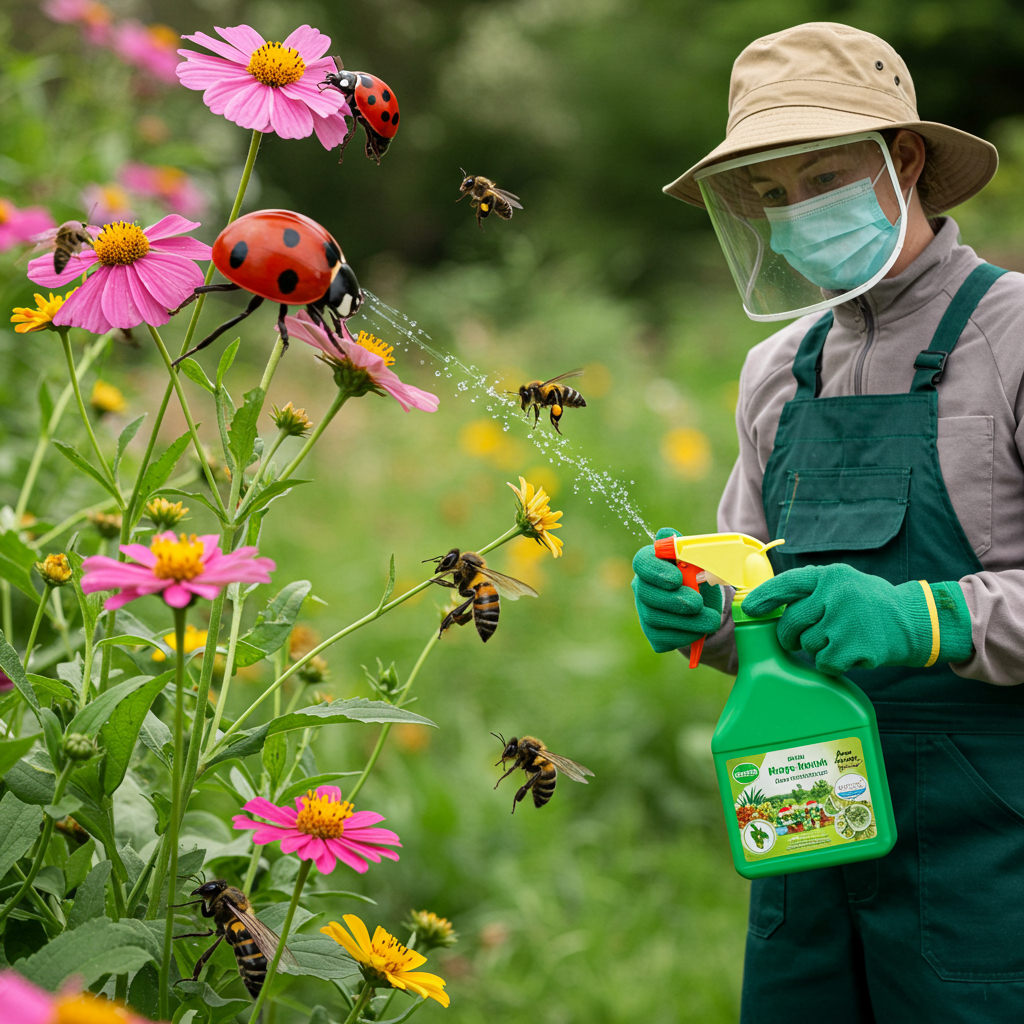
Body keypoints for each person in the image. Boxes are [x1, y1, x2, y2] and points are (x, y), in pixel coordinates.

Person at [630, 21, 1024, 1022]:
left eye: (822, 177)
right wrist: (708, 620)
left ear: (905, 159)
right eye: (770, 192)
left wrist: (925, 617)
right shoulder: (777, 370)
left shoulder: (1015, 337)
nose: (797, 212)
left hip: (987, 859)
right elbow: (760, 626)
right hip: (802, 843)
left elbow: (919, 616)